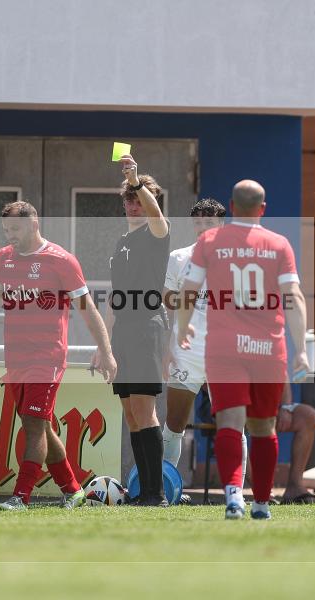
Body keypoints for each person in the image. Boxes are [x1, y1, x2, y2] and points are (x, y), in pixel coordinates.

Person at [0, 201, 116, 510]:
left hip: (47, 357)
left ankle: (21, 496)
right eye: (6, 230)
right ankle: (73, 490)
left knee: (33, 424)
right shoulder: (4, 258)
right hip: (16, 358)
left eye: (15, 229)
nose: (10, 236)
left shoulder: (61, 260)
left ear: (34, 224)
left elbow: (88, 310)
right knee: (40, 425)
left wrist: (106, 352)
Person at [178, 179, 309, 520]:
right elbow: (294, 297)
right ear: (263, 209)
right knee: (264, 428)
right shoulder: (279, 244)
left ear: (232, 206)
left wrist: (183, 325)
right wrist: (301, 350)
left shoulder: (209, 241)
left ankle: (234, 497)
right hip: (267, 349)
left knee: (230, 424)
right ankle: (261, 503)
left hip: (224, 347)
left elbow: (188, 289)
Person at [162, 199, 246, 489]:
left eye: (208, 222)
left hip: (226, 353)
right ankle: (164, 489)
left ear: (221, 224)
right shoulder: (178, 257)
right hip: (186, 353)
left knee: (233, 424)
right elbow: (167, 298)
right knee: (174, 423)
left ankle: (236, 491)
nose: (202, 228)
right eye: (198, 222)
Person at [107, 155, 171, 506]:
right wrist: (105, 345)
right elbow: (114, 297)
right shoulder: (121, 242)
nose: (134, 205)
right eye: (129, 199)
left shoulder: (156, 232)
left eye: (139, 199)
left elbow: (156, 216)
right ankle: (142, 491)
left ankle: (155, 493)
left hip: (147, 326)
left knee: (146, 411)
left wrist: (135, 180)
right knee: (131, 414)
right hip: (124, 330)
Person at [276, 383, 315, 504]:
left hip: (267, 404)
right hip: (238, 404)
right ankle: (256, 491)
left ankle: (294, 486)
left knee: (308, 415)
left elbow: (282, 375)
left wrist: (286, 407)